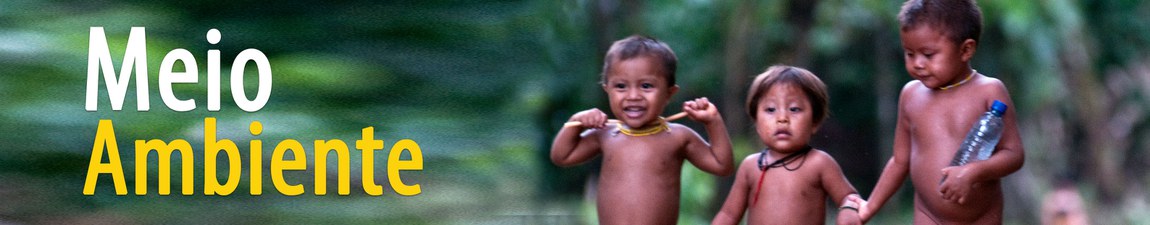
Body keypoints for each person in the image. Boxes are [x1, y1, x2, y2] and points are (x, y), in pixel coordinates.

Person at [858, 0, 1026, 224]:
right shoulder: (910, 95)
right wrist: (869, 207)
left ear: (966, 49)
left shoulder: (989, 91)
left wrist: (972, 172)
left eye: (928, 55)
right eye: (909, 54)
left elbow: (1014, 155)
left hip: (981, 217)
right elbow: (900, 161)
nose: (917, 63)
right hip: (929, 215)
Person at [550, 35, 734, 224]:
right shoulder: (605, 134)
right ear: (608, 90)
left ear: (669, 93)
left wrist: (713, 122)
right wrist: (576, 123)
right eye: (621, 86)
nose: (633, 96)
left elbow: (722, 166)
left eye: (646, 86)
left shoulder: (677, 136)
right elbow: (562, 156)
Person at [711, 65, 862, 225]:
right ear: (756, 121)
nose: (782, 118)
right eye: (770, 109)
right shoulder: (750, 166)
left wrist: (849, 208)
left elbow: (850, 196)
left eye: (794, 109)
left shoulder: (819, 163)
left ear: (815, 122)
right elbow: (729, 214)